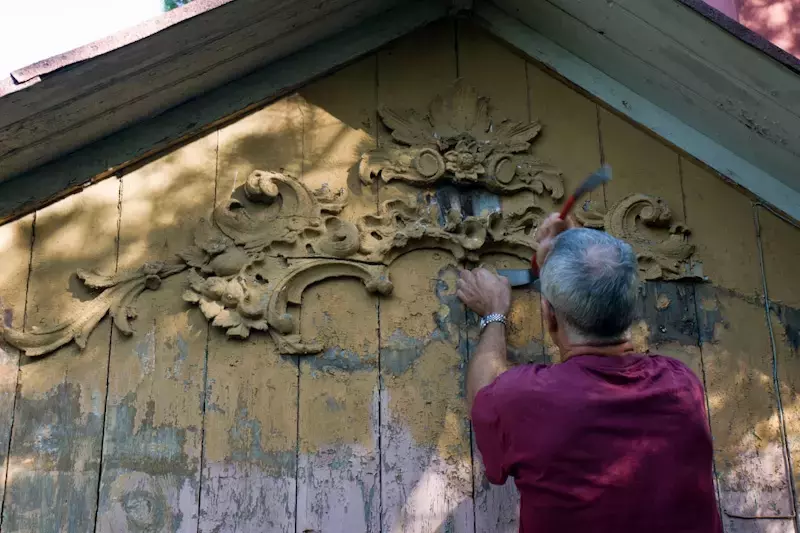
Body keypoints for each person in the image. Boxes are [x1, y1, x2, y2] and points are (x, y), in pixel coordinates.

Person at [456, 213, 722, 533]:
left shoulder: (525, 399)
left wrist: (494, 312)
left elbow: (483, 391)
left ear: (549, 316)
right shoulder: (682, 384)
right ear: (630, 311)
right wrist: (585, 252)